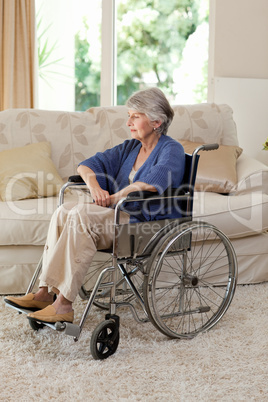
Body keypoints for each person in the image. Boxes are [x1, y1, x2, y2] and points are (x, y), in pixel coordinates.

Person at [4, 87, 185, 324]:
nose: (128, 121)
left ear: (156, 121)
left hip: (143, 224)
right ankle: (44, 293)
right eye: (128, 115)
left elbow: (153, 182)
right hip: (117, 217)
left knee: (81, 213)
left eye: (135, 116)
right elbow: (88, 164)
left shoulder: (171, 149)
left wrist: (116, 196)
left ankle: (63, 305)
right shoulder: (131, 147)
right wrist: (94, 185)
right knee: (63, 211)